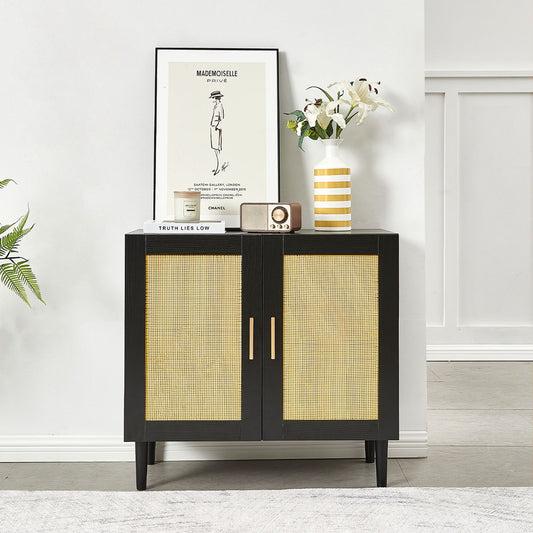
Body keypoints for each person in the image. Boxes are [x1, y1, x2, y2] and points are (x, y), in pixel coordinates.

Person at [209, 91, 228, 175]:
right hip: (213, 129)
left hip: (216, 129)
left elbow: (222, 119)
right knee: (215, 149)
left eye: (212, 98)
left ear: (215, 98)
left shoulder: (219, 106)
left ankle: (219, 168)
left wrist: (217, 127)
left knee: (217, 149)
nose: (211, 100)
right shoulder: (216, 106)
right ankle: (218, 167)